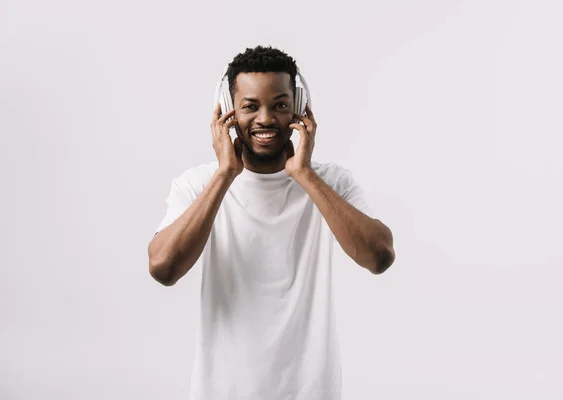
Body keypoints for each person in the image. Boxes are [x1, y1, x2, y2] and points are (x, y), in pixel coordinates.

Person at [147, 45, 395, 400]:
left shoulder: (331, 182)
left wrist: (305, 174)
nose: (265, 118)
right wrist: (224, 175)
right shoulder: (198, 184)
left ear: (298, 108)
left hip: (311, 390)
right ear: (228, 110)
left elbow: (379, 256)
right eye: (250, 106)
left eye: (279, 105)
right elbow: (163, 268)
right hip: (223, 390)